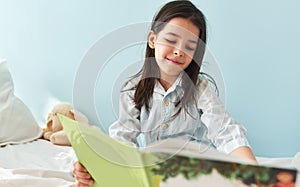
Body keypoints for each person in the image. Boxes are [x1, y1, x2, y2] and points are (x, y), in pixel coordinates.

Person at [73, 0, 257, 186]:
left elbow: (226, 131)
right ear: (153, 40)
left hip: (197, 172)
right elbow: (122, 141)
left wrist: (254, 174)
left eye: (189, 46)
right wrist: (96, 168)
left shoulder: (200, 88)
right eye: (171, 40)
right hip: (157, 173)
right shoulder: (132, 90)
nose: (178, 52)